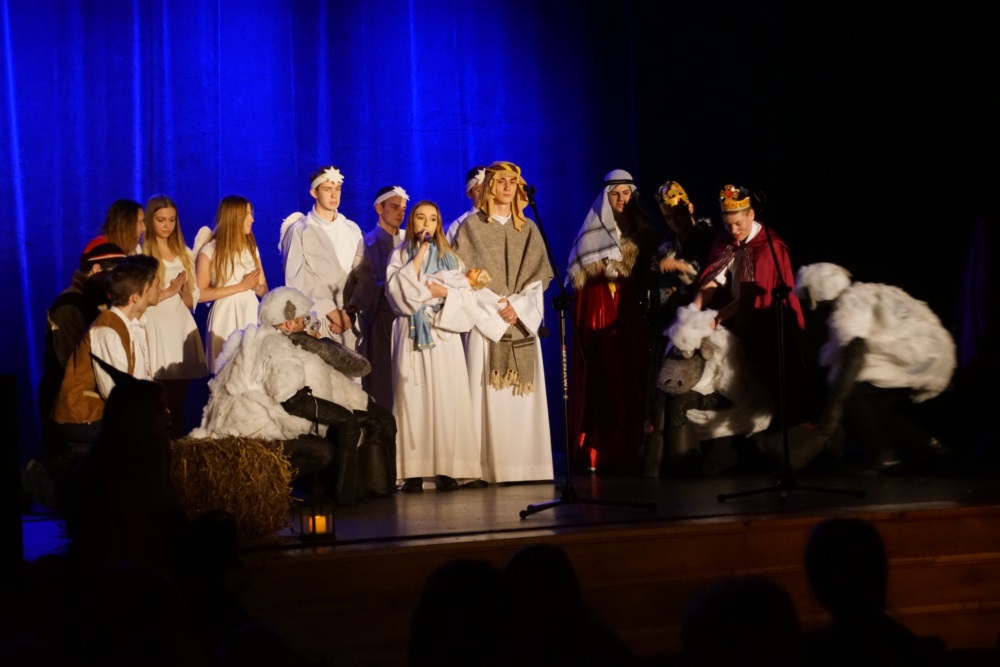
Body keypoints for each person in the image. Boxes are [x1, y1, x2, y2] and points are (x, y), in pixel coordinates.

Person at [194, 286, 397, 504]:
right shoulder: (275, 345)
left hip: (278, 419)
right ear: (289, 323)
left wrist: (315, 344)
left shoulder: (281, 340)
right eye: (303, 319)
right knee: (341, 430)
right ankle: (343, 499)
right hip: (261, 429)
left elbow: (360, 367)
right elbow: (291, 398)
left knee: (373, 420)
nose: (306, 324)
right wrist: (341, 416)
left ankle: (366, 491)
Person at [792, 262, 955, 472]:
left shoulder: (848, 304)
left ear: (817, 299)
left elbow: (856, 351)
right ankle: (928, 446)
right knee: (872, 404)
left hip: (919, 359)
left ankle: (883, 453)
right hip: (933, 358)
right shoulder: (866, 292)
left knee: (850, 390)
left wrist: (835, 405)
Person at [452, 161, 554, 483]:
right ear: (490, 186)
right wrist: (500, 306)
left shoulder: (529, 228)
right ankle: (485, 468)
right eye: (502, 181)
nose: (508, 187)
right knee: (486, 395)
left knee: (521, 402)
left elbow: (539, 278)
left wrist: (517, 308)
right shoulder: (471, 228)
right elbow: (463, 277)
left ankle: (527, 466)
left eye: (513, 181)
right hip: (487, 323)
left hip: (520, 321)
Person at [386, 201, 483, 492]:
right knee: (412, 400)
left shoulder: (452, 259)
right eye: (420, 218)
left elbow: (468, 299)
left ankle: (450, 469)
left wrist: (444, 293)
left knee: (446, 399)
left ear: (438, 224)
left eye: (432, 219)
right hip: (412, 334)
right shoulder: (400, 254)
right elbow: (398, 293)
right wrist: (420, 254)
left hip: (442, 334)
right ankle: (413, 471)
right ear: (412, 223)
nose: (426, 223)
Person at [566, 169, 658, 474]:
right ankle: (596, 449)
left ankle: (628, 447)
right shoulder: (591, 231)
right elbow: (579, 272)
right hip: (599, 307)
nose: (621, 199)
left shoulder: (643, 231)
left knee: (628, 374)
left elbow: (649, 272)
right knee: (601, 374)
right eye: (615, 194)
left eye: (626, 193)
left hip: (628, 311)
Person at [693, 184, 805, 414]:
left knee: (768, 379)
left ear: (751, 215)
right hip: (736, 314)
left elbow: (754, 296)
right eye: (727, 224)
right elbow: (712, 280)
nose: (733, 230)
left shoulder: (769, 247)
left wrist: (717, 318)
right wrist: (694, 309)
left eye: (738, 224)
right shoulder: (724, 239)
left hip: (768, 320)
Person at [53, 255, 161, 444]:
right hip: (83, 417)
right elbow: (114, 392)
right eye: (150, 288)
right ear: (135, 296)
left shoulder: (131, 325)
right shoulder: (108, 331)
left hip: (110, 410)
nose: (157, 290)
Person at [38, 242, 125, 475]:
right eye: (115, 274)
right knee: (68, 475)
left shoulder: (95, 301)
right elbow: (70, 361)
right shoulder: (69, 305)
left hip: (87, 400)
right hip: (68, 402)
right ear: (97, 270)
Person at [280, 165, 375, 351]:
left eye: (337, 189)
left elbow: (364, 274)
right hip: (316, 316)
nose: (334, 195)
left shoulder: (351, 229)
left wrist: (350, 310)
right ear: (314, 192)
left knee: (351, 368)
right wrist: (332, 312)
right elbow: (297, 277)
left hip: (348, 318)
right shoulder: (300, 230)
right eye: (327, 189)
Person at [142, 195, 207, 436]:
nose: (167, 225)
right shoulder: (142, 253)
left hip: (179, 328)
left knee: (178, 400)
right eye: (161, 220)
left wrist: (183, 291)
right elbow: (139, 299)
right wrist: (167, 291)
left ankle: (175, 447)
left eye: (171, 220)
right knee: (155, 399)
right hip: (154, 327)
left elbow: (191, 301)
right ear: (150, 221)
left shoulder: (184, 253)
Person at [195, 195, 267, 374]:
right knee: (226, 371)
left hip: (249, 313)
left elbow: (264, 288)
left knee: (251, 370)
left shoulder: (251, 248)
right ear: (234, 217)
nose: (252, 219)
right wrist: (240, 287)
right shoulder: (210, 250)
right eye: (247, 214)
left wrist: (255, 287)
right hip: (225, 315)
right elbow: (201, 294)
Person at [362, 185, 408, 409]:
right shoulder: (368, 243)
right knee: (384, 378)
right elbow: (366, 284)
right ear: (379, 208)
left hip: (408, 319)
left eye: (403, 208)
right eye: (394, 207)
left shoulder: (410, 241)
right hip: (382, 319)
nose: (400, 213)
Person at [444, 165, 486, 245]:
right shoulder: (458, 225)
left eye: (488, 189)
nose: (485, 194)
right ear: (469, 193)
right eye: (479, 190)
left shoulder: (503, 219)